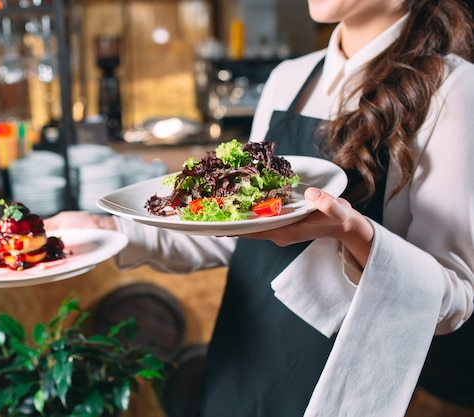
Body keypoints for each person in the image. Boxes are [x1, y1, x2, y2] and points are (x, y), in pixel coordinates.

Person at [44, 0, 474, 415]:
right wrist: (108, 230)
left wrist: (352, 232)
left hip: (337, 377)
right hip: (240, 353)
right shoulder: (289, 80)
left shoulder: (454, 90)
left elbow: (453, 300)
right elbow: (237, 237)